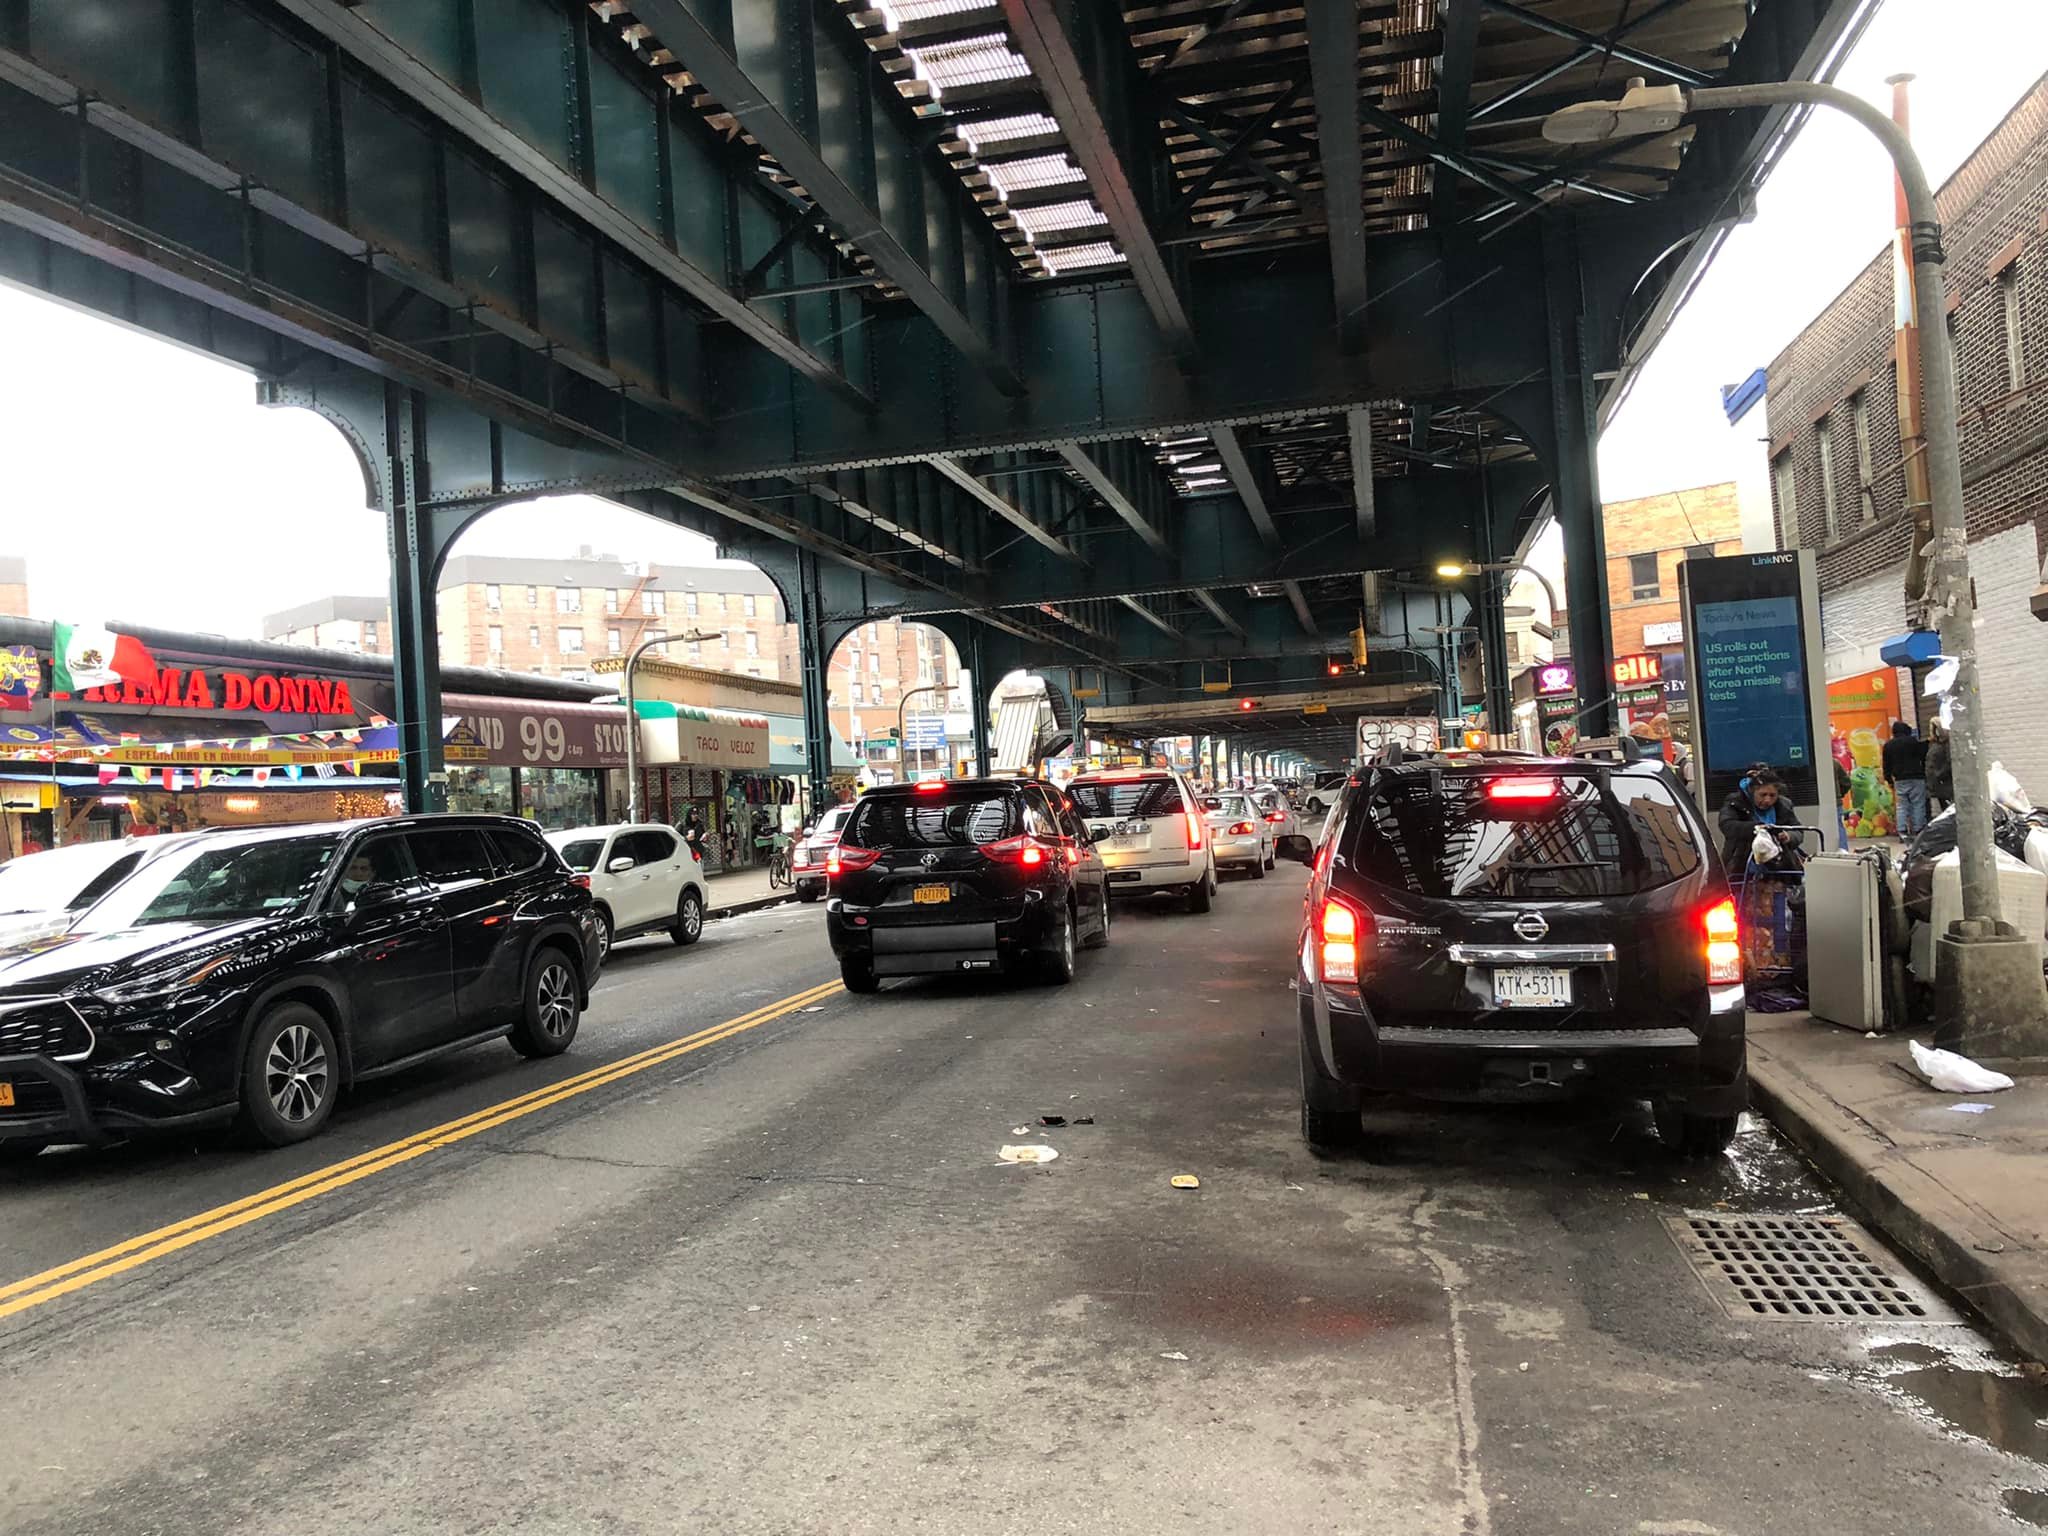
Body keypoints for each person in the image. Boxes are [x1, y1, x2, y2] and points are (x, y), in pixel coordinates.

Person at [1718, 766, 1806, 877]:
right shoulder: (1735, 802)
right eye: (1763, 795)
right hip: (1742, 863)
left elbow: (1798, 830)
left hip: (1779, 865)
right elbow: (1726, 825)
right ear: (1752, 791)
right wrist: (1756, 828)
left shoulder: (1784, 805)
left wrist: (1788, 836)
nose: (1767, 800)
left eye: (1772, 795)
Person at [1882, 720, 1930, 839]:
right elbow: (1923, 753)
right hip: (1916, 777)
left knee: (1902, 805)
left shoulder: (1888, 745)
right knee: (1918, 803)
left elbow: (1886, 765)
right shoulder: (1912, 742)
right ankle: (1918, 830)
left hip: (1899, 779)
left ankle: (1902, 831)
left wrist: (1889, 779)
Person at [1925, 722, 1953, 814]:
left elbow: (1949, 762)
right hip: (1937, 783)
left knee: (1947, 807)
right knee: (1943, 807)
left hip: (1944, 782)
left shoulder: (1946, 745)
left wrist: (1939, 774)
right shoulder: (1934, 744)